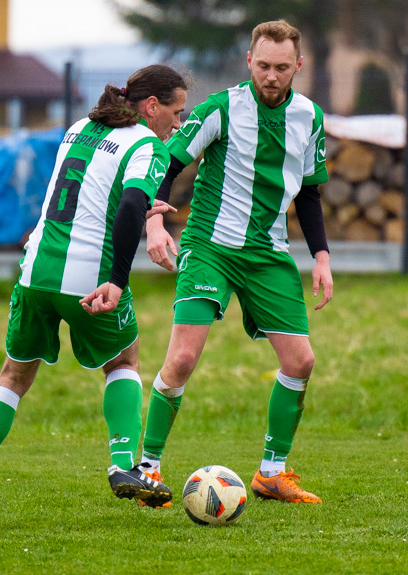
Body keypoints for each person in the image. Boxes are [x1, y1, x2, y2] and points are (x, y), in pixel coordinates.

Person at [0, 64, 189, 526]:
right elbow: (133, 204)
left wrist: (130, 202)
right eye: (176, 112)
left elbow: (90, 192)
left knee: (13, 376)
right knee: (124, 362)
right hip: (87, 275)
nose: (178, 123)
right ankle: (123, 465)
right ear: (151, 106)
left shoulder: (80, 128)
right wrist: (118, 279)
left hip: (36, 267)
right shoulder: (146, 143)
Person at [139, 19, 332, 506]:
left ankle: (272, 473)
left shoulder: (310, 117)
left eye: (282, 68)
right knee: (182, 359)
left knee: (301, 360)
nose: (272, 75)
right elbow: (170, 163)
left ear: (298, 67)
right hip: (209, 246)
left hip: (268, 254)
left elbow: (309, 195)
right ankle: (147, 469)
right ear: (249, 61)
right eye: (263, 65)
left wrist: (322, 257)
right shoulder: (221, 108)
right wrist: (156, 222)